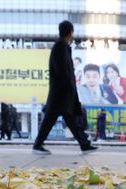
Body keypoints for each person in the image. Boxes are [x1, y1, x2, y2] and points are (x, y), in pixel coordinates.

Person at [32, 21, 97, 155]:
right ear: (70, 33)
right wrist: (69, 88)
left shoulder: (61, 46)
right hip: (61, 94)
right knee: (57, 119)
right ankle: (38, 145)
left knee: (64, 120)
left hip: (61, 93)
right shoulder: (61, 47)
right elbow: (63, 71)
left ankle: (84, 144)